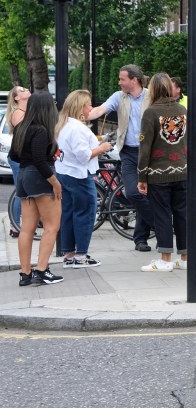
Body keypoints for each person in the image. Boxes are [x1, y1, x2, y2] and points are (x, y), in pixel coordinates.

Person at [88, 64, 155, 252]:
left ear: (134, 80)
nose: (119, 82)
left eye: (122, 79)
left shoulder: (151, 95)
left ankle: (140, 239)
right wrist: (82, 114)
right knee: (133, 192)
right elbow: (100, 110)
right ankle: (160, 225)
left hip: (149, 151)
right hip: (128, 152)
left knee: (147, 194)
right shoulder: (119, 96)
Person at [55, 90, 113, 269]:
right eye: (88, 104)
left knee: (69, 213)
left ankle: (69, 254)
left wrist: (98, 140)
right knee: (85, 213)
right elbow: (83, 155)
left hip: (64, 172)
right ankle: (81, 255)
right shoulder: (78, 128)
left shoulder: (63, 124)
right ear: (81, 108)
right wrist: (102, 147)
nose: (91, 107)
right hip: (79, 174)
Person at [137, 73, 188, 272]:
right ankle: (185, 257)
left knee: (162, 215)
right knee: (182, 214)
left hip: (158, 173)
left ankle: (165, 258)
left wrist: (142, 176)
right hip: (182, 171)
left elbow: (145, 148)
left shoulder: (151, 113)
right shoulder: (182, 110)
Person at [12, 92, 63, 286]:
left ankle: (25, 274)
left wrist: (31, 161)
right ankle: (42, 271)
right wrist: (55, 183)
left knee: (27, 229)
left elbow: (14, 156)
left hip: (24, 176)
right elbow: (40, 160)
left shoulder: (21, 128)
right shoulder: (42, 130)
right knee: (51, 226)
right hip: (40, 177)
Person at [7, 85, 30, 239]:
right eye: (21, 90)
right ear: (16, 98)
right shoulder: (18, 113)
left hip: (23, 157)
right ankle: (15, 226)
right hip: (17, 158)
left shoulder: (25, 111)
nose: (26, 90)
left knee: (24, 191)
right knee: (20, 192)